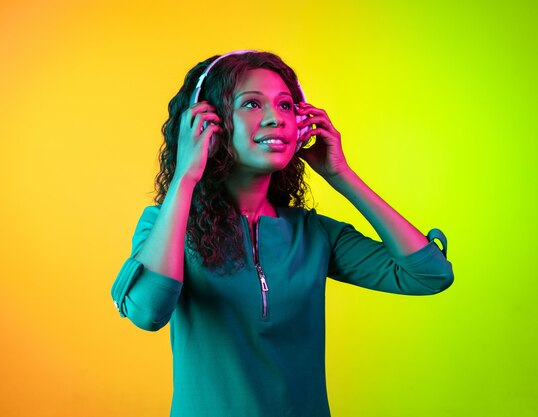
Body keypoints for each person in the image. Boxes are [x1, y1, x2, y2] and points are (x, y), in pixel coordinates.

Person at [111, 50, 454, 417]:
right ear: (207, 123)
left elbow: (430, 275)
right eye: (252, 104)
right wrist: (185, 176)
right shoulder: (167, 225)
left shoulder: (313, 234)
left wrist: (342, 175)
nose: (276, 118)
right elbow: (147, 312)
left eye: (286, 105)